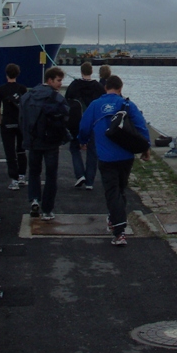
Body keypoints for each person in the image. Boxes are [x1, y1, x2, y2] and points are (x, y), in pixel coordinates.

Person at [77, 74, 150, 247]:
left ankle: (119, 232)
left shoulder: (95, 105)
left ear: (105, 87)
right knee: (120, 189)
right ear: (120, 88)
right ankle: (116, 218)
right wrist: (145, 148)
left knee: (112, 192)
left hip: (106, 157)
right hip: (125, 156)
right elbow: (141, 126)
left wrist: (83, 140)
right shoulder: (127, 104)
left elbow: (84, 126)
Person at [20, 66, 69, 221]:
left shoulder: (28, 96)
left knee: (34, 172)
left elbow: (22, 119)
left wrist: (26, 138)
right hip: (51, 143)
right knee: (51, 175)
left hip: (34, 141)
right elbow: (65, 119)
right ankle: (47, 209)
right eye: (59, 80)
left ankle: (34, 199)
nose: (61, 84)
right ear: (50, 80)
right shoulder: (57, 98)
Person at [64, 61, 105, 189]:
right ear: (91, 71)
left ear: (81, 71)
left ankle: (80, 174)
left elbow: (66, 103)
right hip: (93, 122)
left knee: (74, 148)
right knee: (92, 151)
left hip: (76, 122)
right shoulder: (98, 87)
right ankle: (90, 182)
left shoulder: (74, 85)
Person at [0, 63, 28, 190]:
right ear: (18, 74)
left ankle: (13, 179)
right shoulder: (22, 89)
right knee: (21, 150)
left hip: (7, 123)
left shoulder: (1, 89)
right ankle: (22, 176)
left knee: (10, 152)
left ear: (6, 74)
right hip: (20, 123)